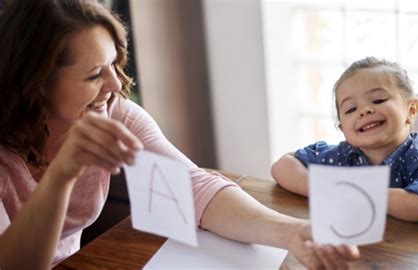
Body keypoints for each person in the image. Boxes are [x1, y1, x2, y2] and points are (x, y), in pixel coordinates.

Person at [0, 1, 359, 269]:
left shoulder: (115, 116)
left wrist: (292, 232)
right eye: (95, 74)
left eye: (114, 64)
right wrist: (62, 176)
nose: (114, 84)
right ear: (37, 83)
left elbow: (196, 189)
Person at [272, 57, 418, 225]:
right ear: (343, 130)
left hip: (409, 252)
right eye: (351, 109)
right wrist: (325, 188)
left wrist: (359, 193)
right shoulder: (344, 155)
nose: (364, 110)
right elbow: (282, 166)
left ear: (411, 110)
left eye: (378, 99)